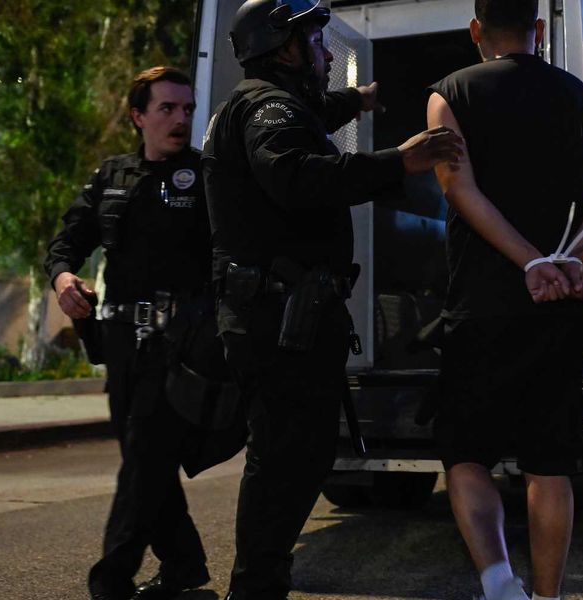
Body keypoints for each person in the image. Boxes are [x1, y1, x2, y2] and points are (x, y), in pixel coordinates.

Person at [200, 1, 463, 598]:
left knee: (298, 456)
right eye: (314, 41)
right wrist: (401, 161)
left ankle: (260, 582)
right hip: (276, 319)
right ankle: (255, 588)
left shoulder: (266, 102)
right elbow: (296, 176)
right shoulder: (268, 110)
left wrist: (358, 100)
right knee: (284, 460)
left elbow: (312, 114)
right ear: (284, 48)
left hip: (280, 314)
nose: (324, 52)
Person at [426, 2, 583, 599]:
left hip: (481, 304)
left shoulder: (449, 93)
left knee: (466, 455)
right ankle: (547, 595)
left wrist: (529, 262)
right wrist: (567, 258)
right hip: (559, 308)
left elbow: (458, 189)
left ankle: (498, 584)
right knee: (549, 463)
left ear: (476, 29)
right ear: (538, 29)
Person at [44, 66, 213, 600]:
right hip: (119, 338)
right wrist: (63, 278)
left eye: (187, 109)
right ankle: (184, 563)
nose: (181, 119)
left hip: (178, 341)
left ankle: (110, 581)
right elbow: (66, 243)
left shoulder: (206, 177)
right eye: (168, 108)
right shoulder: (111, 175)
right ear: (139, 116)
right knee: (145, 459)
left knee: (145, 454)